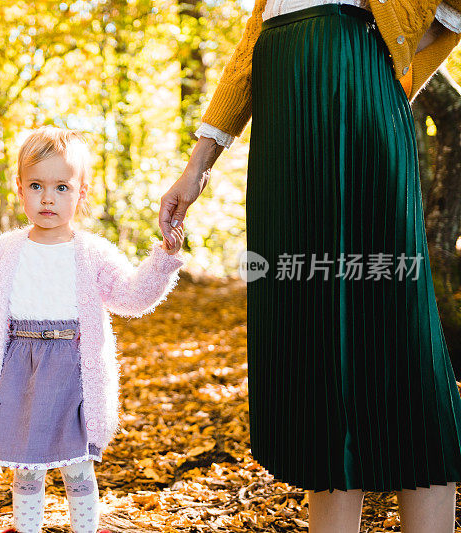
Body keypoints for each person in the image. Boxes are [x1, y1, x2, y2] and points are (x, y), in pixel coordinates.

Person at [159, 0, 461, 531]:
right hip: (284, 136)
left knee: (398, 328)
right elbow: (250, 49)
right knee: (316, 345)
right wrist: (197, 166)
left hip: (356, 103)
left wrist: (395, 56)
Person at [0, 126, 185, 533]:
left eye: (62, 187)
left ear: (81, 193)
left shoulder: (93, 254)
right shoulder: (4, 252)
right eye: (36, 185)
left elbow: (132, 298)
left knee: (78, 467)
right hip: (21, 368)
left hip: (74, 371)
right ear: (20, 189)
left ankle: (85, 528)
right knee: (27, 468)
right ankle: (26, 527)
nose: (47, 197)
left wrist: (163, 259)